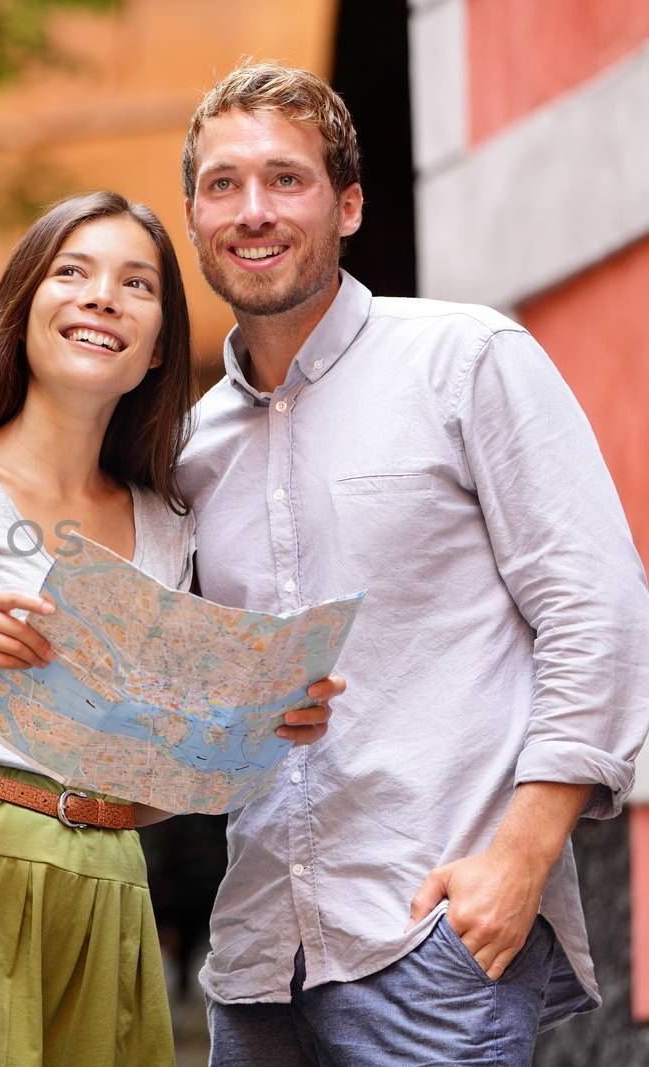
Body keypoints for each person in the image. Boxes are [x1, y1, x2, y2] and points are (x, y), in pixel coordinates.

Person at [175, 62, 649, 1065]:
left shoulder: (464, 359)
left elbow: (598, 607)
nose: (252, 210)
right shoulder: (190, 447)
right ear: (193, 216)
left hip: (427, 934)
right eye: (223, 184)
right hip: (258, 957)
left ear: (347, 204)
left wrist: (517, 859)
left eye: (284, 179)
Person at [0, 190, 344, 1065]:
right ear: (24, 309)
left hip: (108, 882)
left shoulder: (170, 520)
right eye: (73, 271)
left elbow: (144, 781)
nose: (103, 297)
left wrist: (257, 735)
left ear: (158, 345)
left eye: (137, 284)